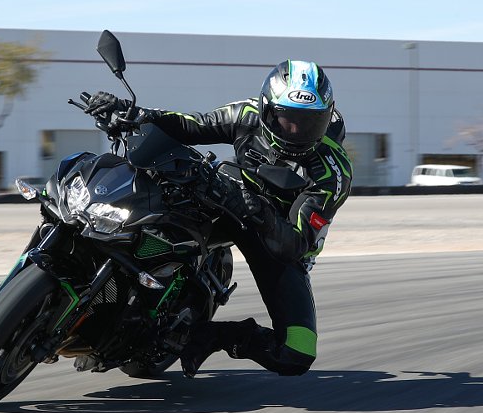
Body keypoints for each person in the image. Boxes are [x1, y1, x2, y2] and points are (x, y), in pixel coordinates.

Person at [84, 60, 352, 378]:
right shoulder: (247, 114)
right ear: (267, 109)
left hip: (277, 234)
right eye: (285, 119)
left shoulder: (332, 172)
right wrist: (133, 113)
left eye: (309, 123)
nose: (295, 130)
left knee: (297, 352)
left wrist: (256, 208)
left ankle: (215, 335)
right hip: (224, 195)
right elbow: (190, 124)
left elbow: (293, 246)